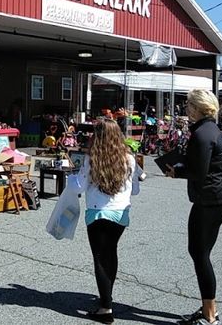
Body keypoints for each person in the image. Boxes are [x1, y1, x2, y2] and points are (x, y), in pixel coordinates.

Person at [164, 89, 222, 325]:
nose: (186, 108)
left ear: (198, 107)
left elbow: (199, 172)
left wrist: (177, 171)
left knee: (200, 255)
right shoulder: (208, 129)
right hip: (211, 200)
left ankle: (210, 316)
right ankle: (209, 309)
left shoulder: (203, 133)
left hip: (210, 201)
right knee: (200, 254)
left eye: (189, 104)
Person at [74, 119, 143, 324]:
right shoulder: (129, 159)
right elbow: (135, 190)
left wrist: (72, 179)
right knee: (111, 253)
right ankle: (107, 297)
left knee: (100, 258)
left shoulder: (91, 159)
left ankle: (106, 307)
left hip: (97, 212)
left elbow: (79, 186)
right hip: (120, 213)